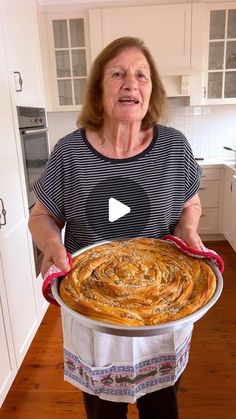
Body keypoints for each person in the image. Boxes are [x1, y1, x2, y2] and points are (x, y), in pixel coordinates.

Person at [29, 36, 203, 419]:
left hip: (163, 307)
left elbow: (190, 202)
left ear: (151, 91)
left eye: (142, 75)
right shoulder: (69, 151)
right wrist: (51, 248)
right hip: (93, 312)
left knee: (161, 406)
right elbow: (41, 216)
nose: (131, 83)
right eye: (118, 73)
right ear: (98, 89)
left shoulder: (174, 148)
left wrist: (188, 230)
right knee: (103, 412)